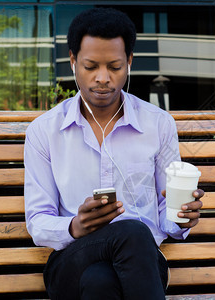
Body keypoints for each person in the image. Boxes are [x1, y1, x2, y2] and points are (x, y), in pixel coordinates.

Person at [24, 7, 204, 300]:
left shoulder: (157, 124)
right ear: (72, 61)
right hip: (71, 261)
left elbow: (166, 213)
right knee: (131, 232)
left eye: (115, 66)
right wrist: (74, 225)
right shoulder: (44, 131)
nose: (103, 78)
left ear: (129, 62)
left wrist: (182, 217)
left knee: (101, 281)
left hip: (141, 263)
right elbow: (38, 221)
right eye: (91, 66)